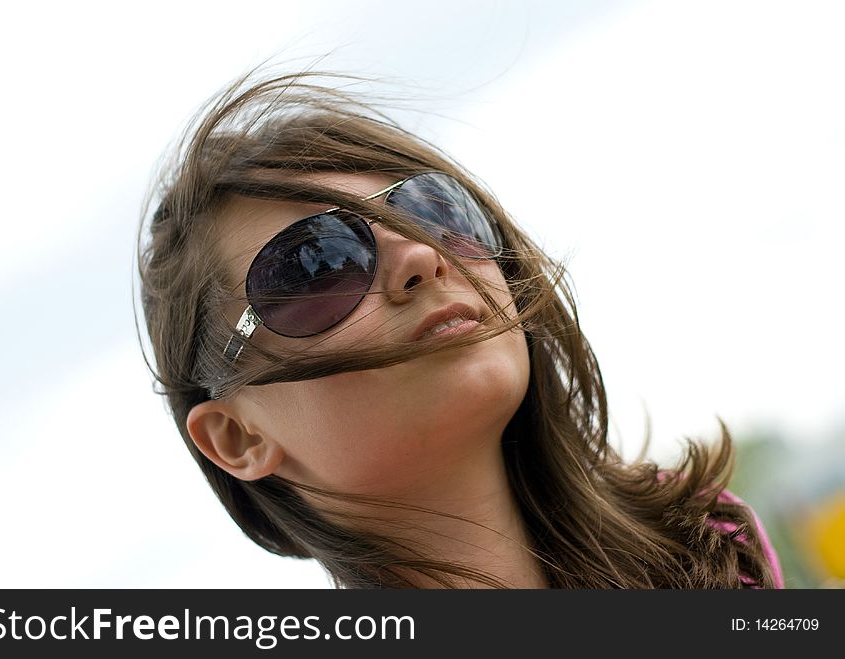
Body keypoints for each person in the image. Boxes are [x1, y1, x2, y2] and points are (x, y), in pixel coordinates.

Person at [136, 69, 784, 589]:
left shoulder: (710, 552)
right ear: (237, 435)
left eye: (432, 210)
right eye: (319, 263)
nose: (420, 255)